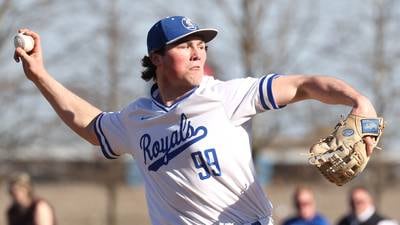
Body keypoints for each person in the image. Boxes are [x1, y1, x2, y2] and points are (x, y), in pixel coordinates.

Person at [14, 15, 380, 225]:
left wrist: (358, 100)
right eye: (184, 45)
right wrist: (40, 76)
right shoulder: (136, 118)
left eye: (201, 45)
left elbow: (303, 85)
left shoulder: (226, 96)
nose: (197, 53)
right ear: (156, 58)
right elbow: (91, 126)